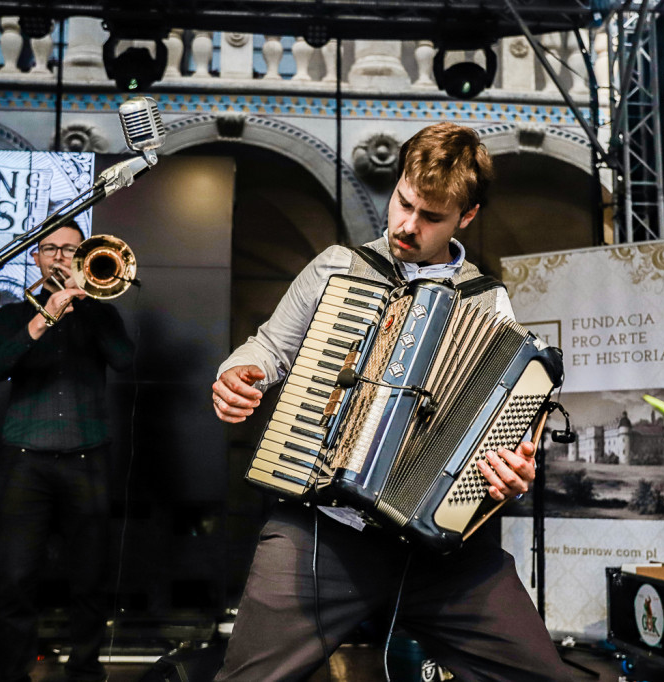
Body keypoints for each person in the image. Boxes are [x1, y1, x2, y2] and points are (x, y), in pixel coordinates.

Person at [211, 122, 574, 682]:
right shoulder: (337, 267)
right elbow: (267, 348)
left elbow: (515, 418)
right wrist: (240, 374)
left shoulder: (489, 301)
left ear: (466, 218)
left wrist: (515, 464)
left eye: (431, 218)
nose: (408, 225)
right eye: (404, 202)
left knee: (540, 675)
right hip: (322, 532)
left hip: (438, 550)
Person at [0, 223, 134, 682]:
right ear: (35, 257)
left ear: (81, 257)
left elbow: (124, 359)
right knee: (16, 579)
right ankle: (13, 674)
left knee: (90, 579)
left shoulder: (101, 314)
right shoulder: (12, 314)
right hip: (25, 459)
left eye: (69, 249)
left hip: (86, 457)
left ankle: (86, 672)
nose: (58, 255)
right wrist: (45, 316)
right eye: (49, 248)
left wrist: (84, 304)